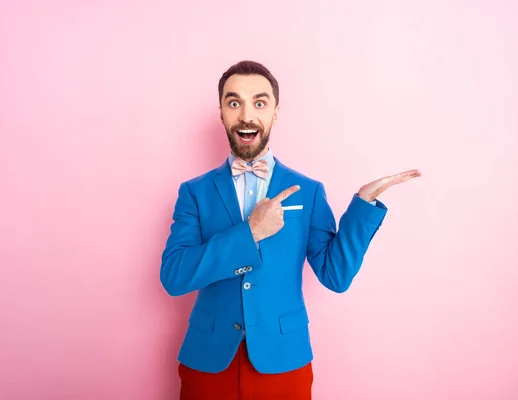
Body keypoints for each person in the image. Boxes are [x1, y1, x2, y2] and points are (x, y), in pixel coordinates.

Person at [160, 60, 421, 400]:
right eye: (234, 102)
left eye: (260, 102)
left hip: (283, 360)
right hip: (208, 363)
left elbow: (335, 275)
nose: (246, 114)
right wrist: (249, 233)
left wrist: (364, 204)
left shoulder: (308, 191)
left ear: (275, 113)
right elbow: (174, 277)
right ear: (222, 113)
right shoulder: (194, 192)